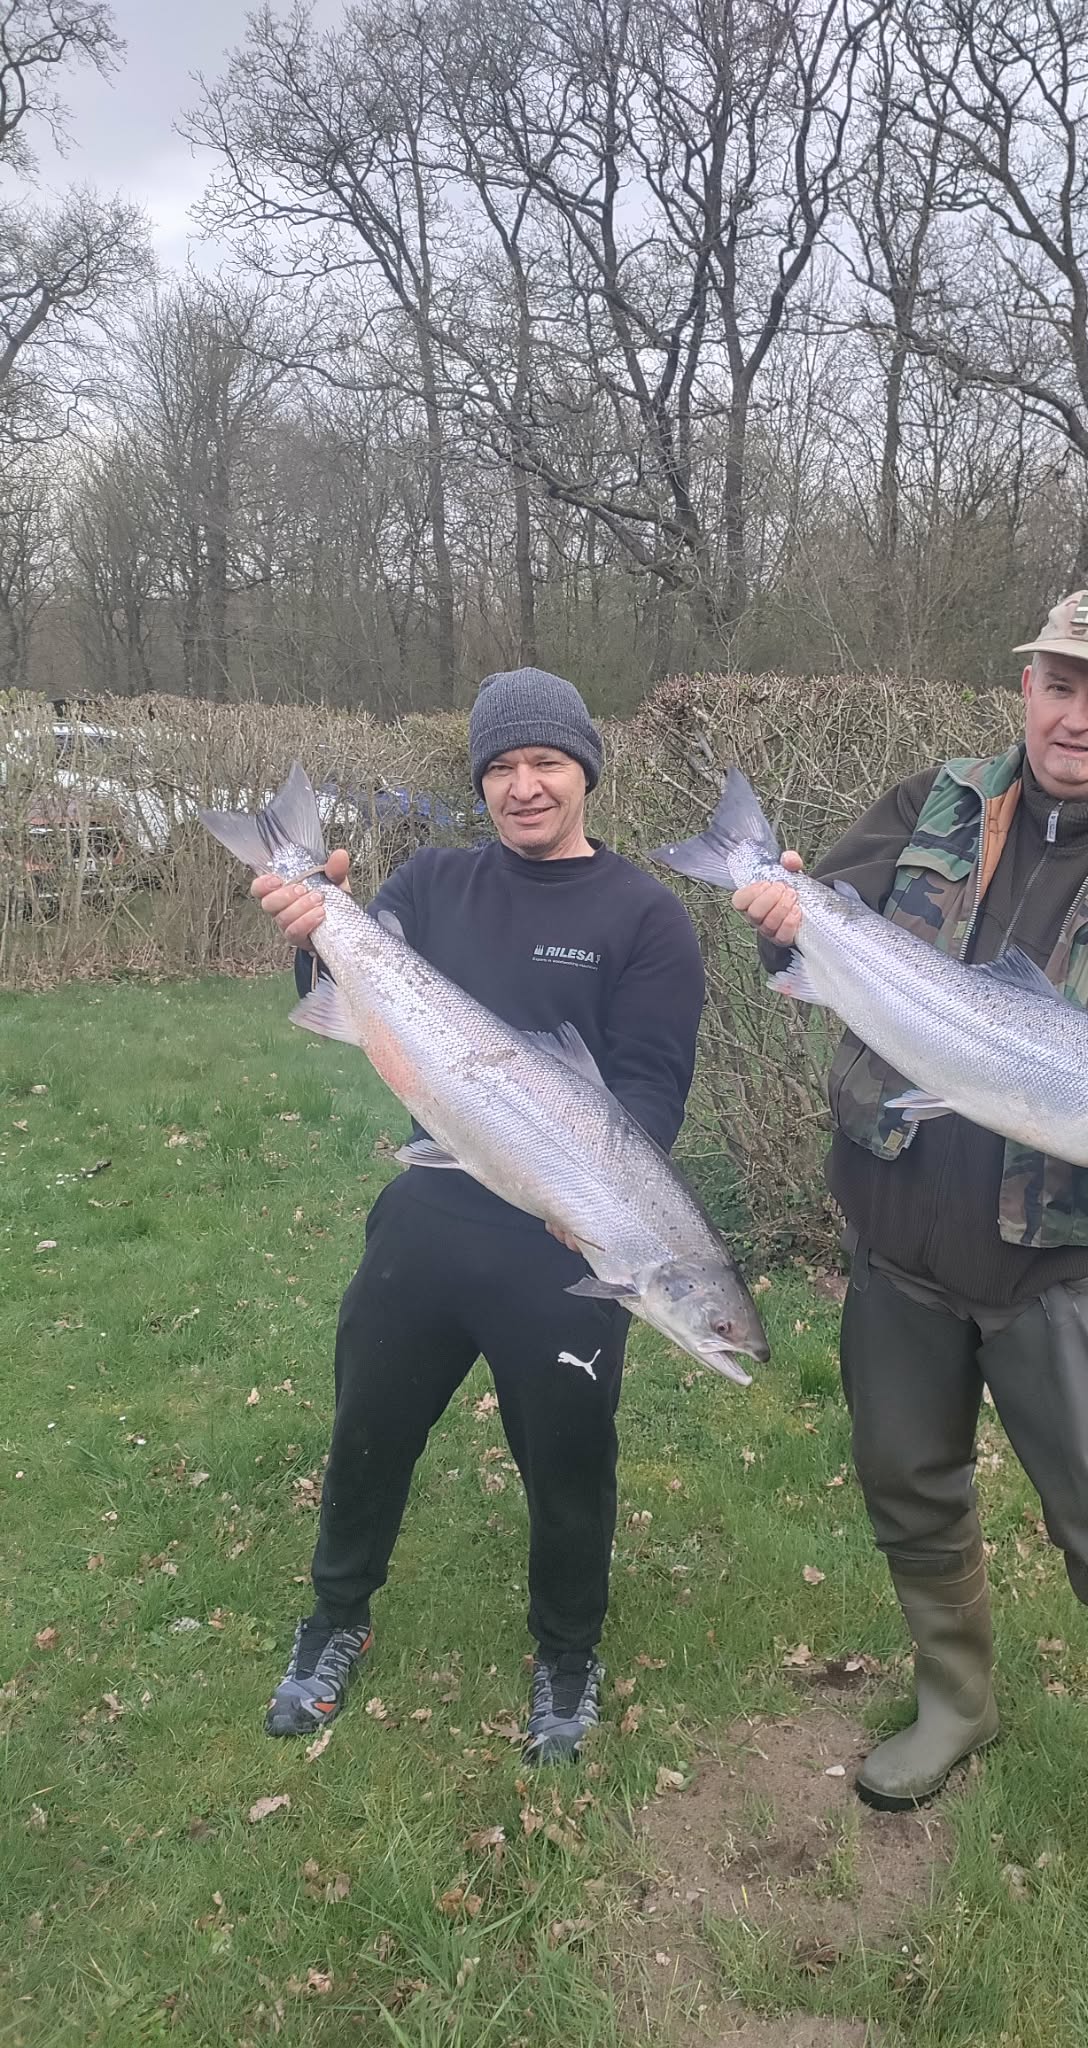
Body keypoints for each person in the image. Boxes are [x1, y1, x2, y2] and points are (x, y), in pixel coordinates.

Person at [731, 590, 1088, 2004]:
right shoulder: (933, 804)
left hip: (1052, 1271)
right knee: (907, 1485)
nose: (1074, 715)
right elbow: (806, 944)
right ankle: (954, 1700)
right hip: (899, 1240)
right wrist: (778, 916)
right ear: (1022, 686)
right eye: (1055, 683)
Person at [251, 668, 706, 1764]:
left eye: (545, 761)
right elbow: (340, 990)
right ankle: (336, 1616)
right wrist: (312, 929)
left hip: (566, 1239)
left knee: (568, 1459)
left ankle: (566, 1652)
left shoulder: (645, 915)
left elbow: (650, 1091)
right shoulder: (432, 883)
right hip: (431, 1214)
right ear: (480, 782)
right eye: (500, 767)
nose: (523, 785)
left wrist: (593, 1199)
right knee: (368, 1426)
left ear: (585, 770)